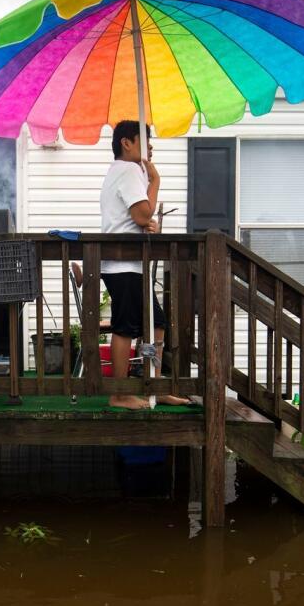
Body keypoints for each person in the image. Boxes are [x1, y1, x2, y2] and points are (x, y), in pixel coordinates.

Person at [99, 120, 191, 409]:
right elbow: (142, 213)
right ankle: (120, 393)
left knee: (157, 324)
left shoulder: (122, 172)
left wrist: (145, 222)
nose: (150, 146)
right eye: (145, 140)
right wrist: (155, 182)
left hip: (129, 264)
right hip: (122, 264)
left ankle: (153, 385)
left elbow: (136, 218)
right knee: (125, 326)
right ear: (127, 142)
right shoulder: (128, 170)